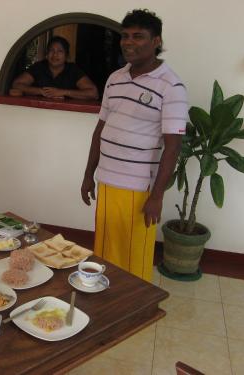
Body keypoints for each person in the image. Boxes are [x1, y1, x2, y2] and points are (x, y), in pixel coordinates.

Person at [80, 9, 188, 281]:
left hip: (139, 190)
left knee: (134, 258)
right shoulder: (115, 78)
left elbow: (173, 146)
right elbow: (100, 130)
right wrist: (87, 175)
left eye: (138, 36)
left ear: (156, 42)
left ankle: (136, 307)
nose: (129, 42)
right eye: (125, 36)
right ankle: (107, 300)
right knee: (106, 253)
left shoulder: (171, 85)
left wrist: (157, 196)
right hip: (107, 181)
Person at [11, 36, 99, 100]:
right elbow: (16, 84)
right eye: (51, 50)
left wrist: (63, 92)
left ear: (66, 56)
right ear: (46, 54)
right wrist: (41, 91)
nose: (55, 54)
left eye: (60, 51)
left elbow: (93, 93)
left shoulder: (73, 70)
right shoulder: (39, 67)